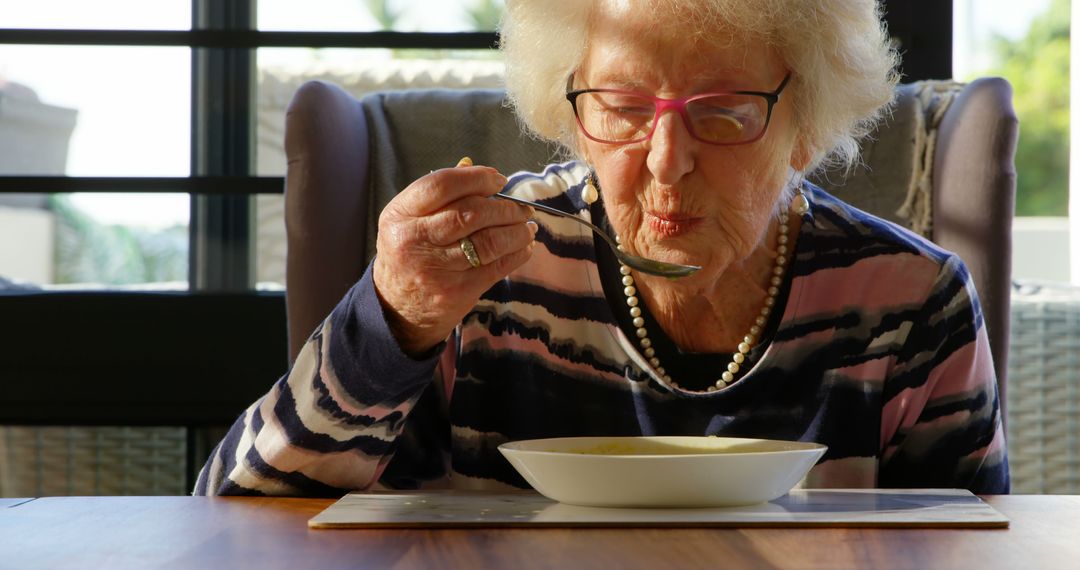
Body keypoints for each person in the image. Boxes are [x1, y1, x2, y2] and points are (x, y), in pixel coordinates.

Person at [195, 0, 1009, 496]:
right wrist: (391, 322)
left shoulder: (910, 301)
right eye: (620, 107)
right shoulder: (485, 275)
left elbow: (972, 548)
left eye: (723, 112)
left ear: (807, 129)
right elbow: (237, 509)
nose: (665, 160)